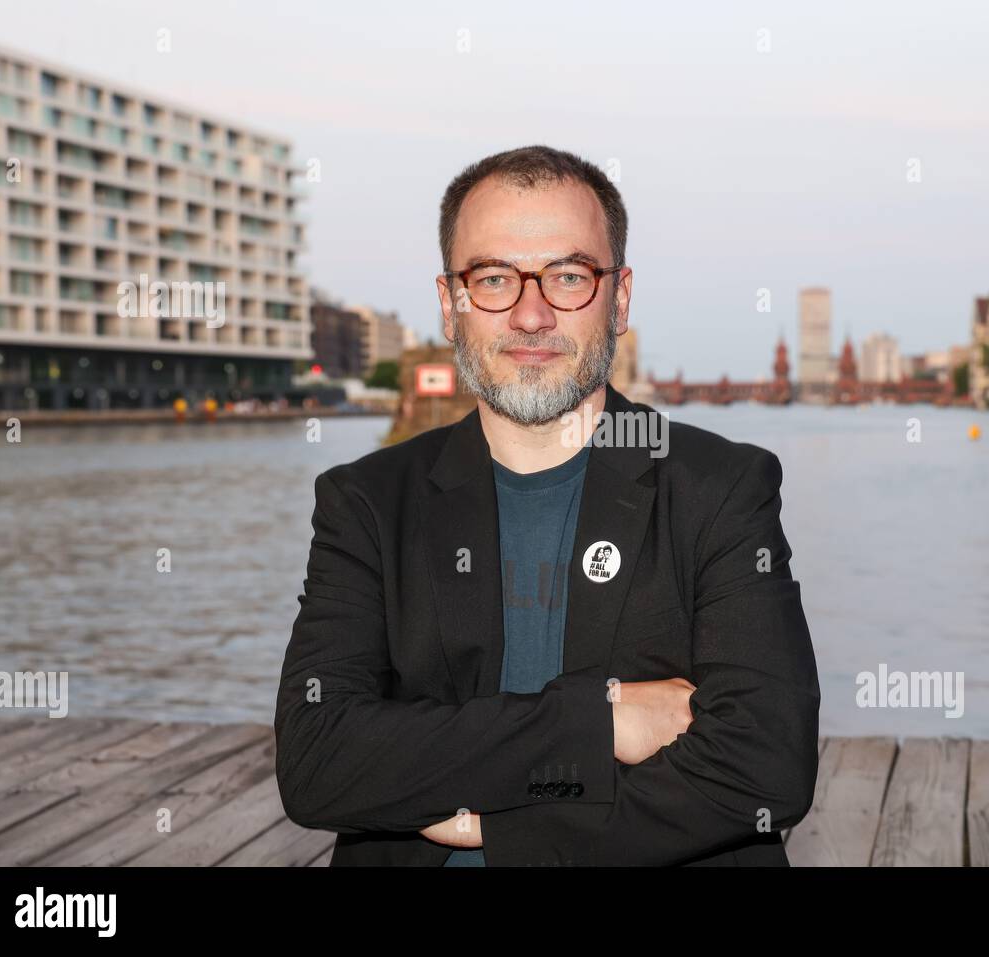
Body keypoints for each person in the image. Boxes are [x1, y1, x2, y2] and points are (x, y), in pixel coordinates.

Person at [274, 145, 820, 865]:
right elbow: (318, 759)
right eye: (494, 277)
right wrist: (599, 721)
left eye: (568, 276)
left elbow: (766, 762)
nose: (531, 315)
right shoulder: (367, 504)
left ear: (619, 298)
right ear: (450, 303)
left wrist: (503, 829)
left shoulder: (719, 489)